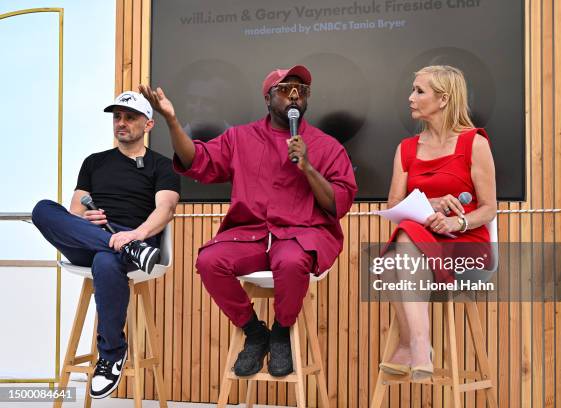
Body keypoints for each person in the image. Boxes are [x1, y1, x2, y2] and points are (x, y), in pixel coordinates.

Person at [140, 64, 357, 377]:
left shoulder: (327, 146)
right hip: (251, 234)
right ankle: (255, 333)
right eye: (285, 90)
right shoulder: (240, 138)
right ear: (268, 99)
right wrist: (172, 121)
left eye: (301, 91)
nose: (294, 96)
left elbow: (338, 203)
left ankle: (282, 332)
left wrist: (307, 167)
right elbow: (195, 160)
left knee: (292, 261)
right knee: (210, 261)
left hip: (302, 235)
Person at [31, 91, 180, 399]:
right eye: (117, 117)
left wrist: (135, 235)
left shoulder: (162, 166)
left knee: (105, 261)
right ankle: (123, 249)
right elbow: (74, 212)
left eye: (129, 117)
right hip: (97, 239)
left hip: (135, 237)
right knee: (42, 209)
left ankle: (110, 354)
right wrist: (87, 217)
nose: (121, 123)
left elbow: (165, 209)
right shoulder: (94, 162)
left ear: (149, 124)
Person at [378, 65, 496, 381]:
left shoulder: (475, 143)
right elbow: (394, 206)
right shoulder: (405, 149)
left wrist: (457, 222)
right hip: (419, 239)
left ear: (443, 99)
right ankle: (414, 343)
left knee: (397, 250)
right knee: (393, 255)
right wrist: (429, 204)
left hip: (466, 243)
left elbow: (488, 209)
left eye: (419, 91)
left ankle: (414, 343)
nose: (410, 97)